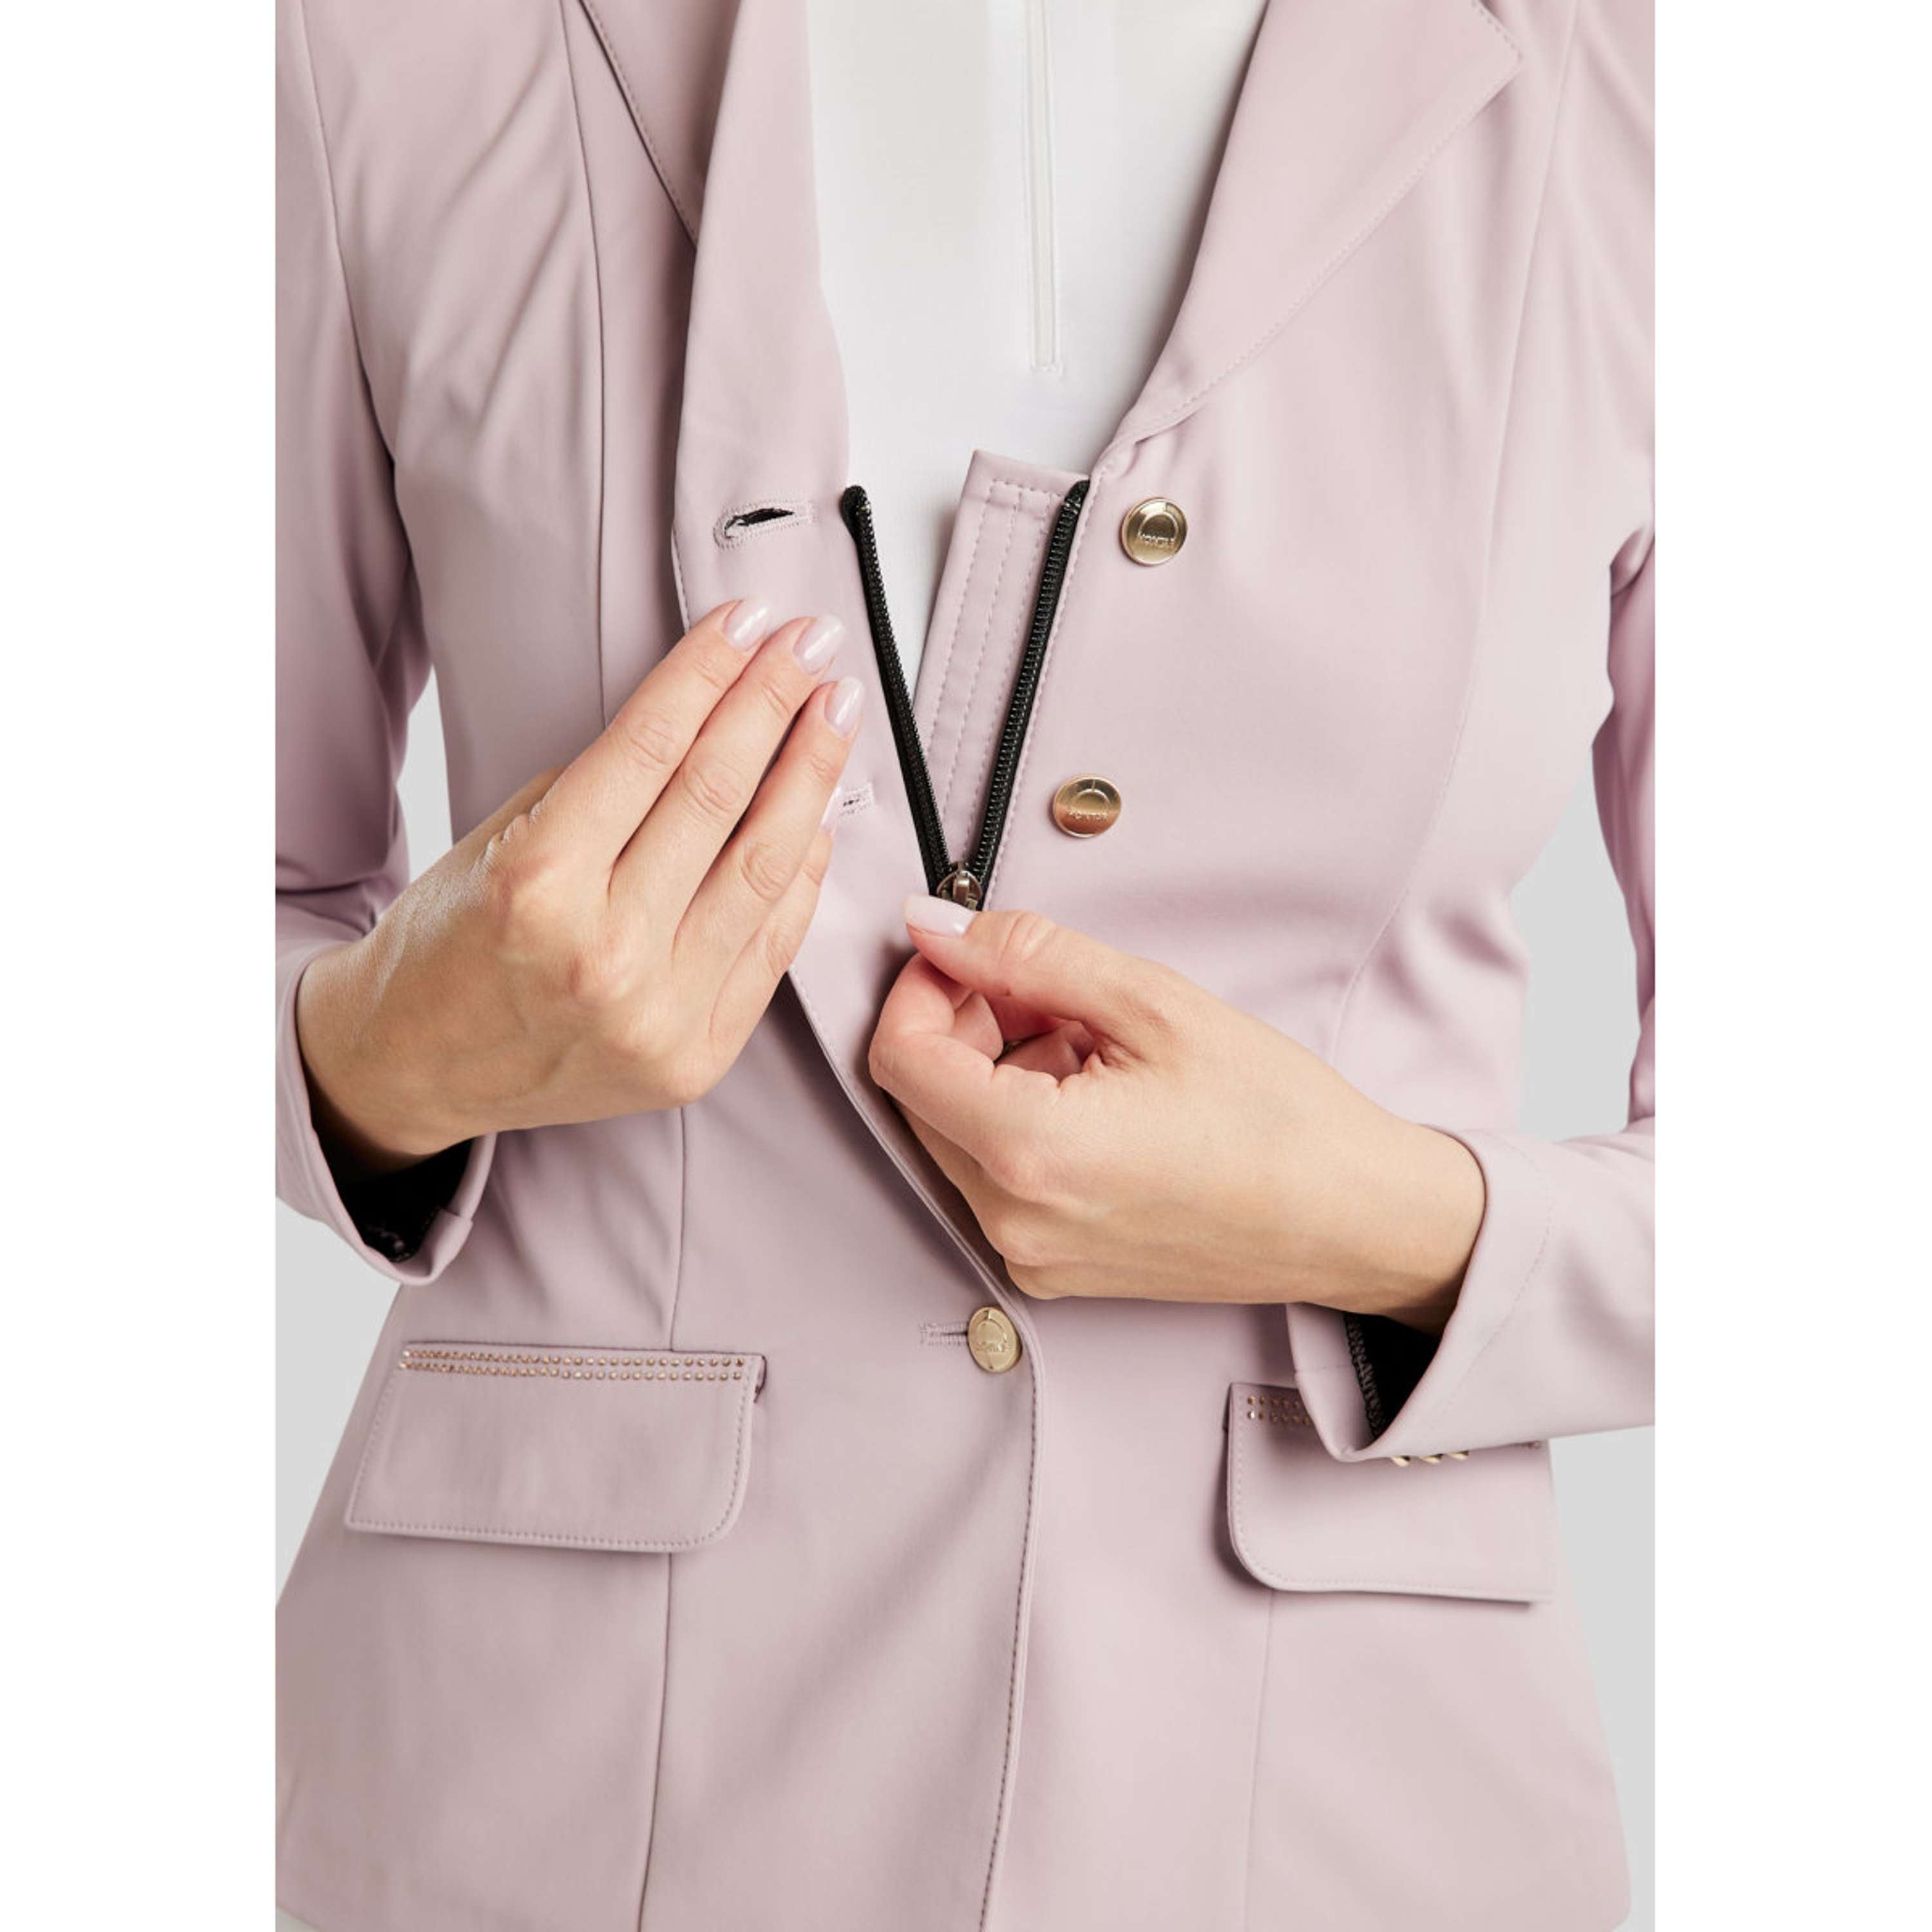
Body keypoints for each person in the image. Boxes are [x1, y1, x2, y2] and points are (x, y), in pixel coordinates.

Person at [276, 0, 1653, 1927]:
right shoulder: (375, 46)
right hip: (540, 1780)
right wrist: (384, 1052)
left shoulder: (1665, 90)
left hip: (1347, 1800)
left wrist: (1377, 1218)